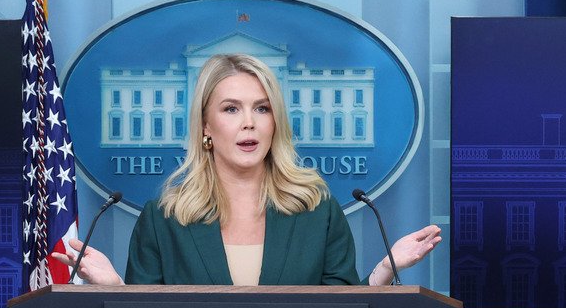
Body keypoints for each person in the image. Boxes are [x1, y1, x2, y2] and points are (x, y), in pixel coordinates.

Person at [53, 53, 441, 286]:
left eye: (262, 108)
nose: (249, 123)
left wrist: (384, 271)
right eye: (231, 109)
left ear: (276, 121)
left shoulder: (317, 211)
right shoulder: (164, 218)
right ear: (206, 126)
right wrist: (116, 288)